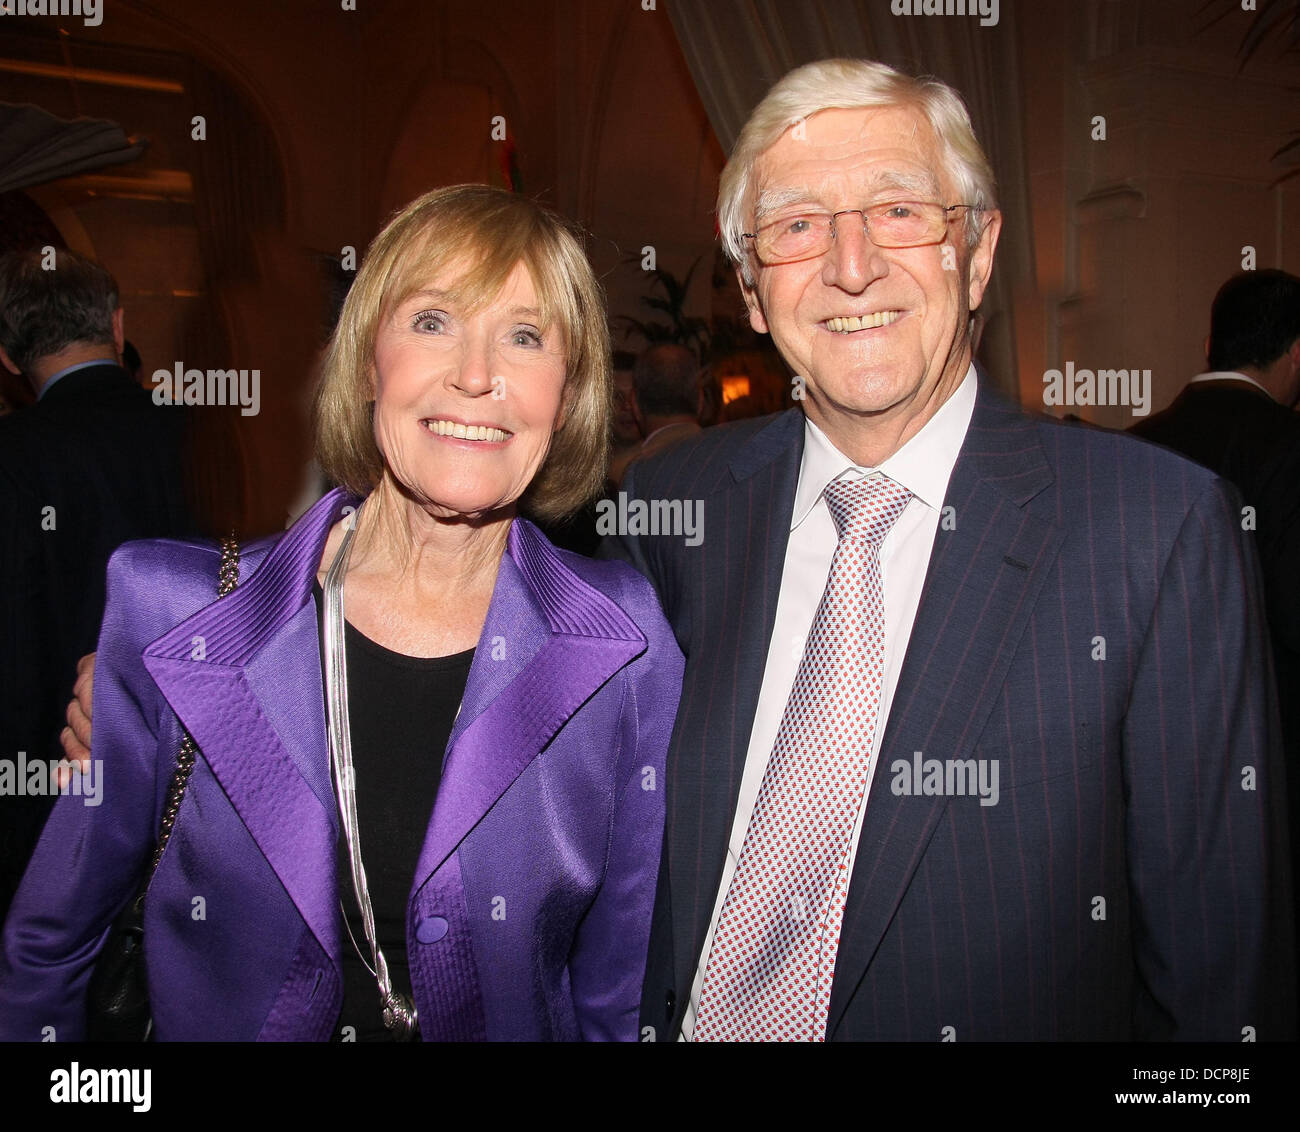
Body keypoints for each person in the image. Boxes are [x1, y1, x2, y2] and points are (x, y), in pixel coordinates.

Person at [603, 58, 1294, 1041]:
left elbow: (1221, 999)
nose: (850, 265)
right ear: (752, 291)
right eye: (796, 225)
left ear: (975, 255)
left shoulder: (1157, 532)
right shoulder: (675, 502)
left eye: (898, 212)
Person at [0, 185, 682, 1041]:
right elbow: (49, 947)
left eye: (524, 335)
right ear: (366, 363)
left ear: (569, 389)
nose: (477, 375)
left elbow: (614, 996)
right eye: (432, 321)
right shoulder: (174, 616)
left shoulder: (624, 642)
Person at [0, 248, 193, 923]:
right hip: (198, 790)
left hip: (52, 802)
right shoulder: (203, 431)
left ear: (7, 356)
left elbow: (15, 661)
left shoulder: (13, 457)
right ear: (117, 326)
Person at [1131, 269, 1300, 982]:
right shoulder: (1289, 449)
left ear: (1210, 342)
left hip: (1145, 762)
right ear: (1295, 351)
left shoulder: (1136, 445)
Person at [609, 343, 702, 486]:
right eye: (617, 397)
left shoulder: (682, 458)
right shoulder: (583, 473)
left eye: (631, 396)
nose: (626, 406)